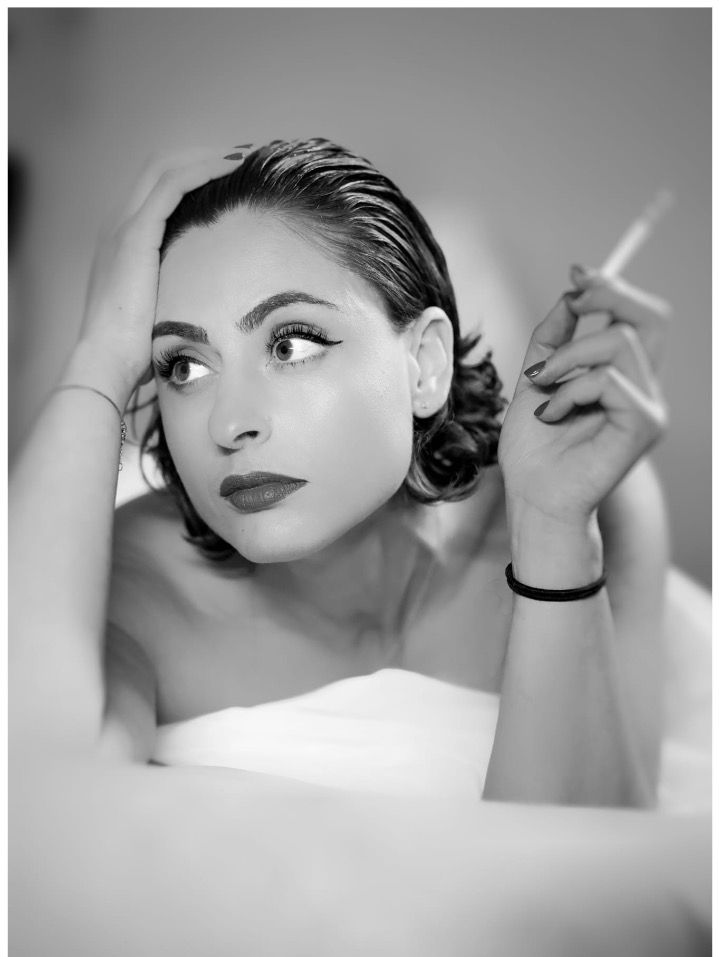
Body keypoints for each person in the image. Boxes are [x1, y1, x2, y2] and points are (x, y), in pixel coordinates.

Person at [10, 137, 671, 806]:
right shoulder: (133, 586)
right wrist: (99, 358)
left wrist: (553, 529)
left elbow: (601, 849)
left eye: (290, 345)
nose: (229, 424)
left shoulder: (589, 506)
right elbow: (31, 797)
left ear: (425, 365)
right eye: (184, 366)